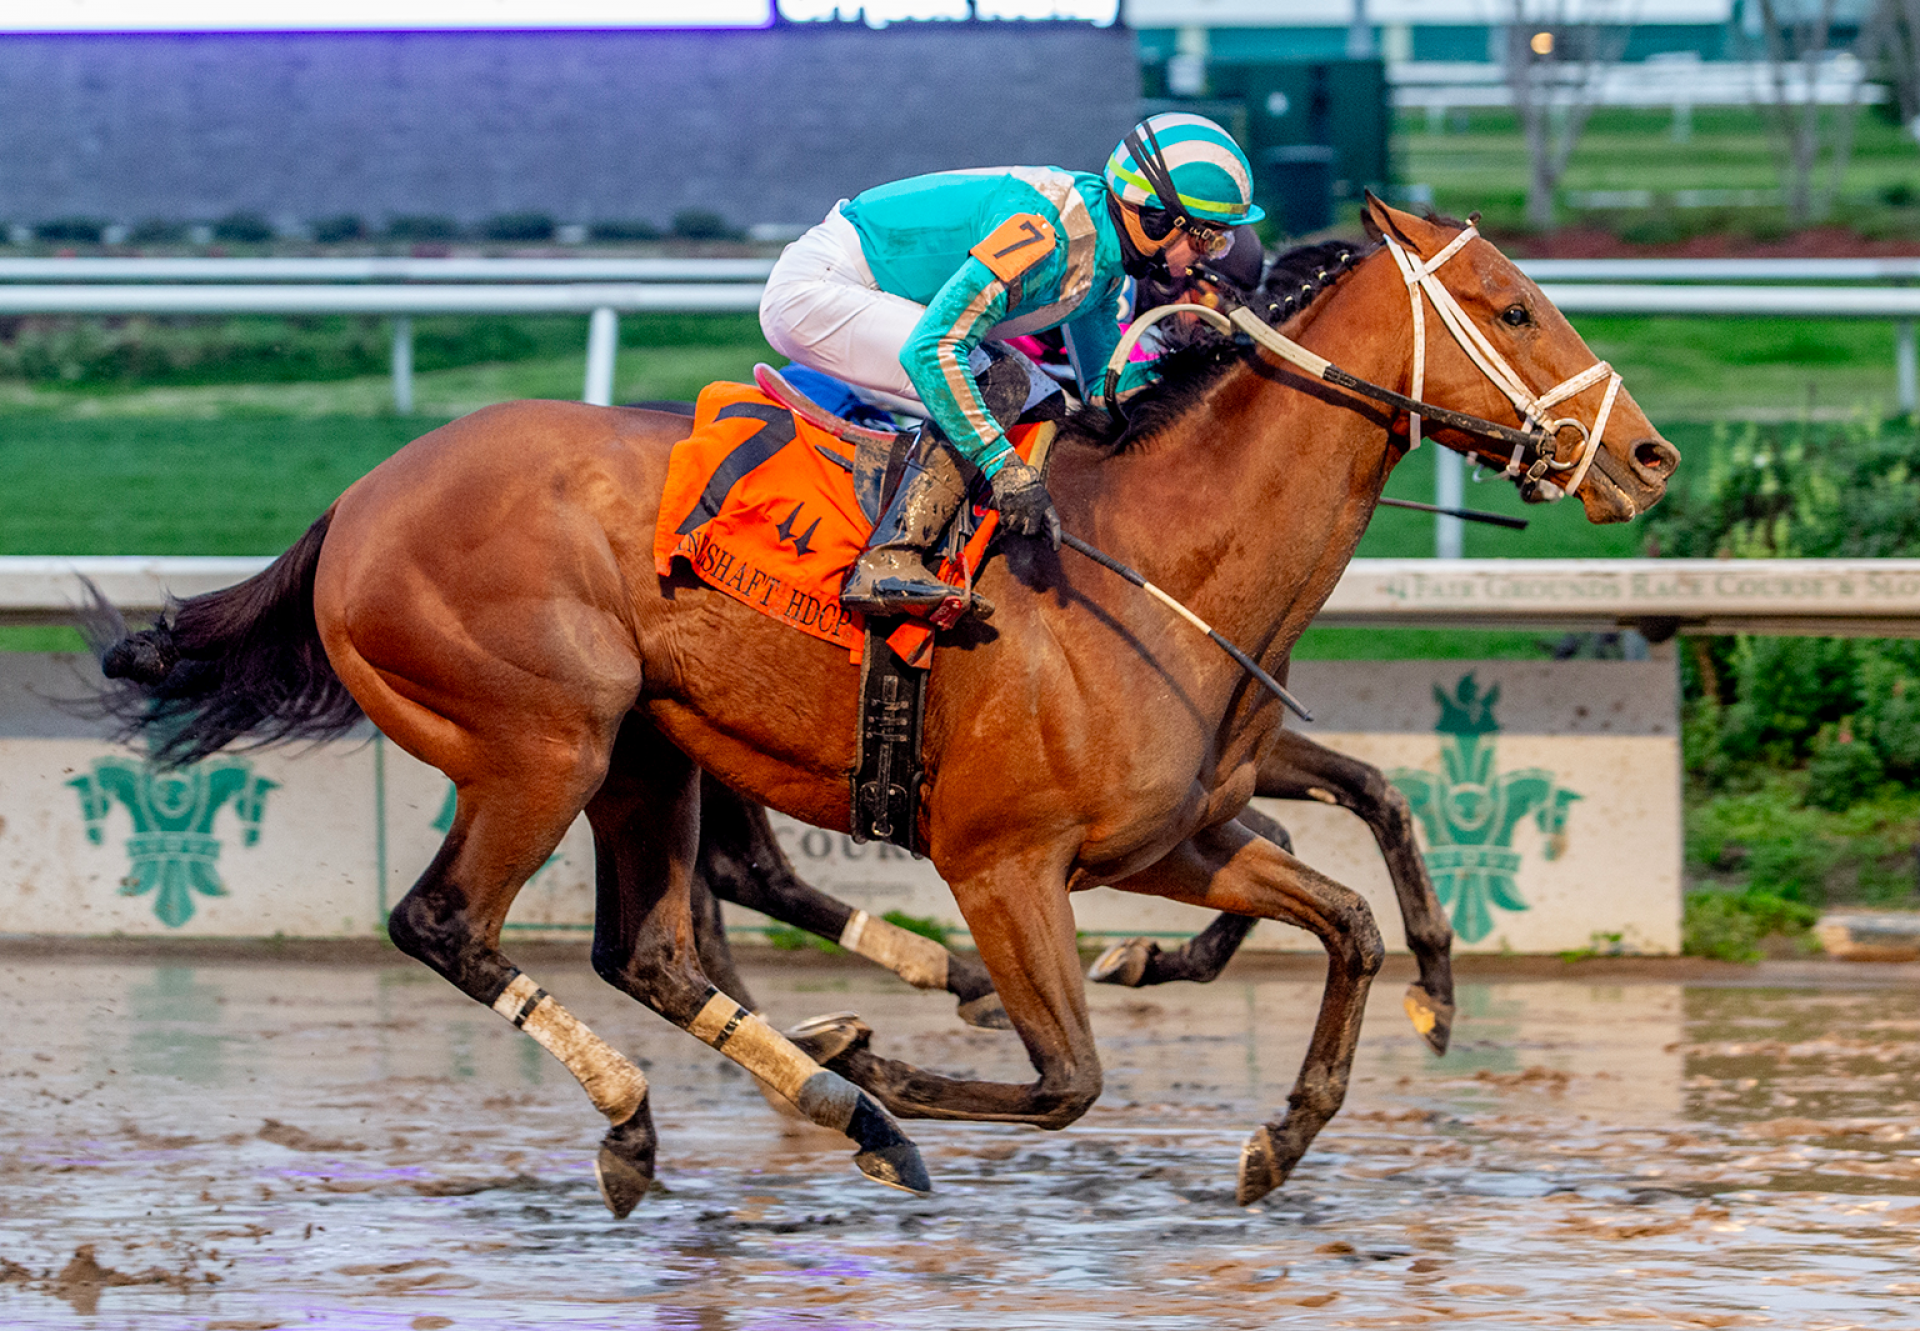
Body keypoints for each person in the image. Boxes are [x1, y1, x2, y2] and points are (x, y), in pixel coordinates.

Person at [758, 112, 1264, 618]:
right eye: (1207, 238)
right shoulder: (1046, 235)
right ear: (1156, 219)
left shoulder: (1109, 266)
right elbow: (931, 349)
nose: (1207, 257)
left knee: (1048, 405)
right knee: (1000, 383)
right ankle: (890, 559)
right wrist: (1006, 471)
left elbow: (1106, 390)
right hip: (822, 289)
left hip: (881, 294)